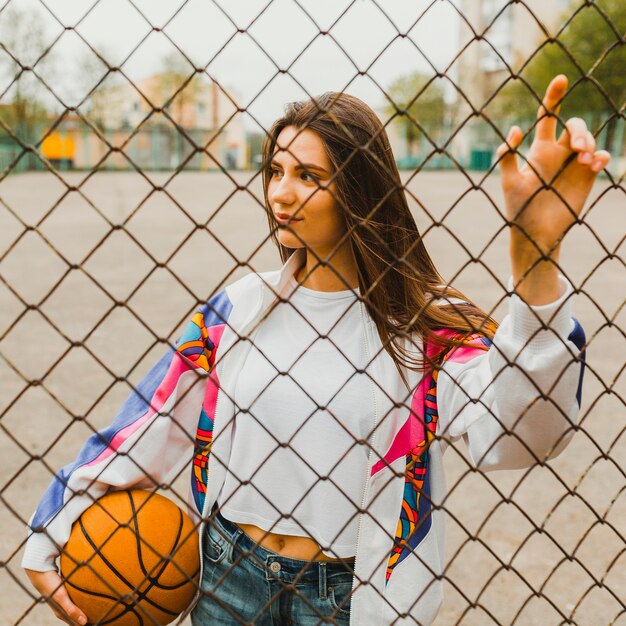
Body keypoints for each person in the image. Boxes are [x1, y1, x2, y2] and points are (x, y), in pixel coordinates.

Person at [22, 74, 610, 626]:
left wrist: (535, 255)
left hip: (349, 596)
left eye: (308, 176)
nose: (281, 192)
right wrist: (51, 532)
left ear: (359, 189)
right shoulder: (234, 313)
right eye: (275, 170)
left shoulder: (427, 334)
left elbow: (526, 429)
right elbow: (147, 425)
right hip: (227, 576)